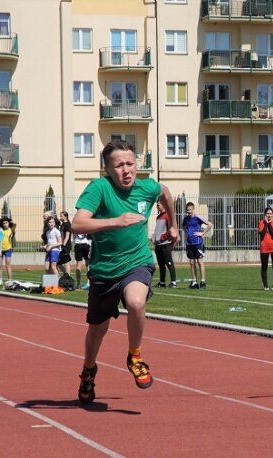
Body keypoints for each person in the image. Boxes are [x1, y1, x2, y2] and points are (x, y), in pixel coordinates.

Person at [71, 140, 178, 405]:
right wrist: (114, 222)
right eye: (118, 165)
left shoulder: (146, 187)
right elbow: (77, 224)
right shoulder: (99, 188)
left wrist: (173, 225)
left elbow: (165, 192)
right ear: (107, 168)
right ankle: (88, 371)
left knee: (136, 302)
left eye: (130, 164)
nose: (126, 170)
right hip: (104, 270)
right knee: (98, 330)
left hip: (137, 261)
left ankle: (135, 355)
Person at [181, 202, 212, 289]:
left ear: (193, 209)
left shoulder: (198, 217)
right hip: (189, 243)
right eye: (188, 210)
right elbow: (182, 226)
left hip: (198, 243)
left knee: (199, 262)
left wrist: (202, 233)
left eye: (190, 210)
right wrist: (187, 233)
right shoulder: (186, 219)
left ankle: (202, 282)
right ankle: (194, 282)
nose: (189, 212)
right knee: (191, 262)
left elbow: (210, 224)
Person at [153, 201, 178, 288]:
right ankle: (162, 282)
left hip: (165, 244)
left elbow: (171, 229)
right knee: (161, 264)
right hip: (158, 245)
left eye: (159, 204)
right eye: (157, 204)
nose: (158, 205)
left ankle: (173, 282)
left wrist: (163, 237)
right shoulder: (158, 217)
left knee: (169, 262)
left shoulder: (167, 216)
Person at [258, 207, 273, 291]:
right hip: (264, 248)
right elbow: (262, 234)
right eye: (267, 213)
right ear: (264, 214)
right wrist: (266, 223)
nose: (269, 215)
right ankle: (265, 285)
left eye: (270, 213)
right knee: (264, 267)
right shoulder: (261, 223)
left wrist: (269, 224)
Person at [0, 217, 16, 284]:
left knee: (7, 265)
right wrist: (0, 222)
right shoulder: (0, 230)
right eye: (4, 223)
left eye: (6, 223)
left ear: (8, 223)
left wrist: (10, 221)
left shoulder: (11, 230)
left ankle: (10, 279)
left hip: (8, 249)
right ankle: (0, 280)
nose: (5, 224)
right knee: (0, 265)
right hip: (1, 249)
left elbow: (14, 224)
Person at [57, 210, 73, 274]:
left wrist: (63, 245)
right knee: (58, 262)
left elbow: (67, 236)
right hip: (61, 245)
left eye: (61, 216)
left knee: (66, 262)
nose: (60, 217)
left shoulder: (67, 225)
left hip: (66, 246)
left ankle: (68, 277)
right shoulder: (62, 225)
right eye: (60, 216)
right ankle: (65, 274)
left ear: (66, 217)